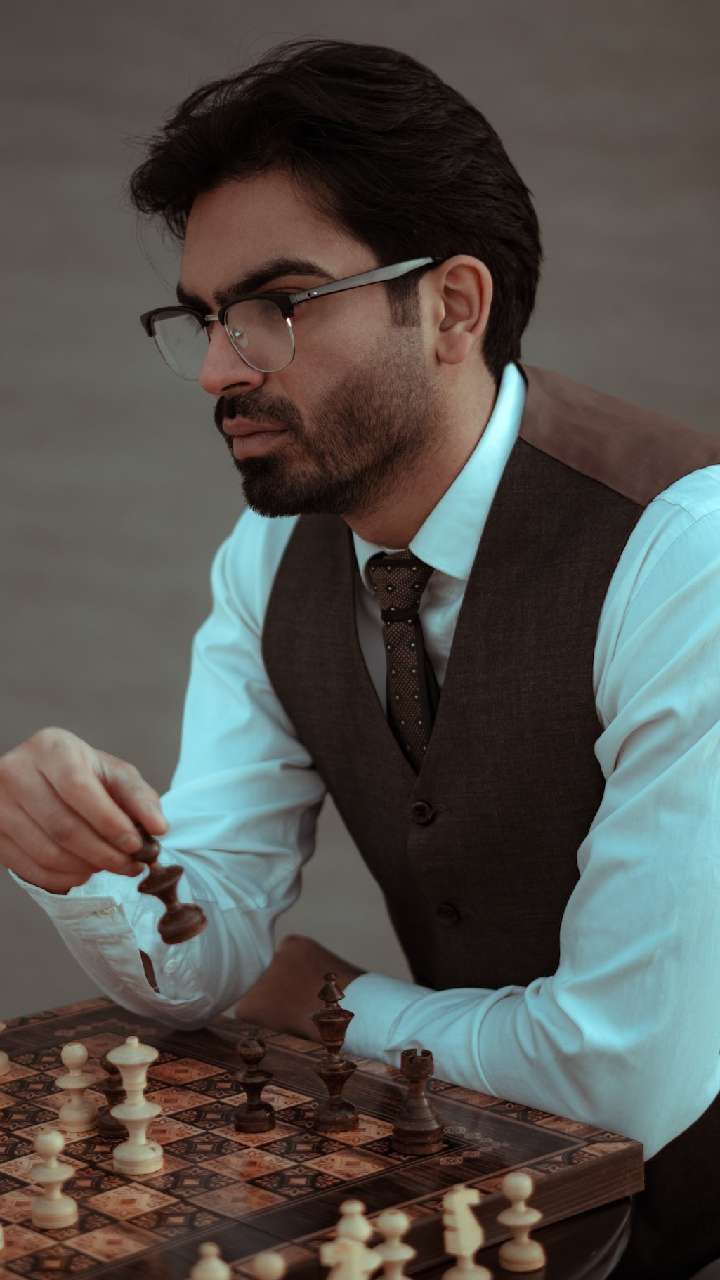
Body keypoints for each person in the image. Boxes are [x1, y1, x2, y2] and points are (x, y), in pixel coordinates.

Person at [0, 37, 718, 1279]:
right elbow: (203, 951)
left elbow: (627, 1073)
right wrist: (73, 851)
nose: (219, 368)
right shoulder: (266, 561)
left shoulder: (687, 553)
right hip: (495, 1202)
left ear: (452, 307)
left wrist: (333, 1001)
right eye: (205, 317)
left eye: (275, 307)